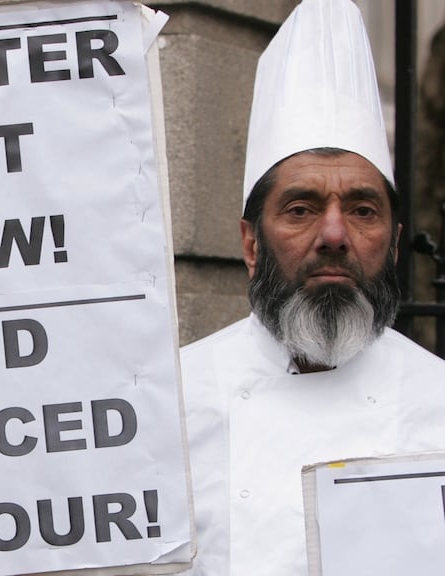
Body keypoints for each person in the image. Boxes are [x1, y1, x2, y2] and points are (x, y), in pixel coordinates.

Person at [178, 0, 445, 574]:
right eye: (300, 208)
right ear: (252, 245)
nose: (333, 234)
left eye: (362, 209)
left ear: (394, 245)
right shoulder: (167, 404)